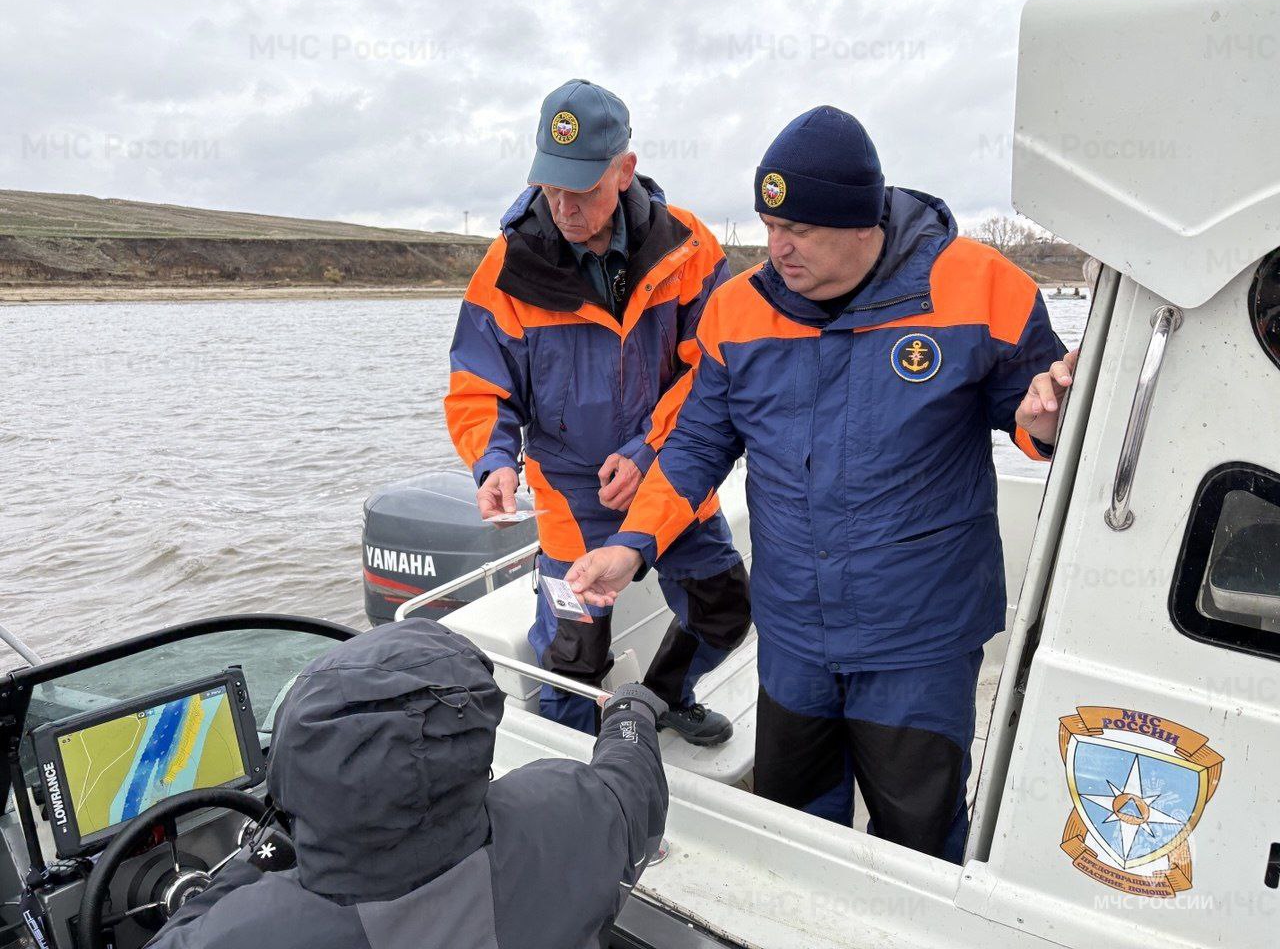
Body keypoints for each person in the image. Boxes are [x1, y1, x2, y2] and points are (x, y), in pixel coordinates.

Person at [567, 106, 1077, 863]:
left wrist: (1046, 417)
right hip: (797, 634)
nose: (777, 249)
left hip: (919, 639)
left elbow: (1043, 420)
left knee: (919, 836)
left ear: (862, 219)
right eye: (769, 226)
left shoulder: (979, 286)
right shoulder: (738, 310)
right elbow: (697, 444)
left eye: (797, 230)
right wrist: (633, 545)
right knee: (796, 828)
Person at [445, 79, 751, 744]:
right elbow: (477, 386)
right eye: (552, 188)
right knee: (572, 656)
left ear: (625, 171)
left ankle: (663, 698)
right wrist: (493, 460)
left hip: (670, 469)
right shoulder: (506, 267)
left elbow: (715, 370)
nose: (564, 207)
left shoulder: (689, 245)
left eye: (582, 190)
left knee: (723, 610)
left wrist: (648, 449)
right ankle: (577, 773)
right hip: (569, 490)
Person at [147, 617, 668, 949]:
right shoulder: (563, 810)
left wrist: (259, 857)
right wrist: (630, 712)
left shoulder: (246, 931)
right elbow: (632, 780)